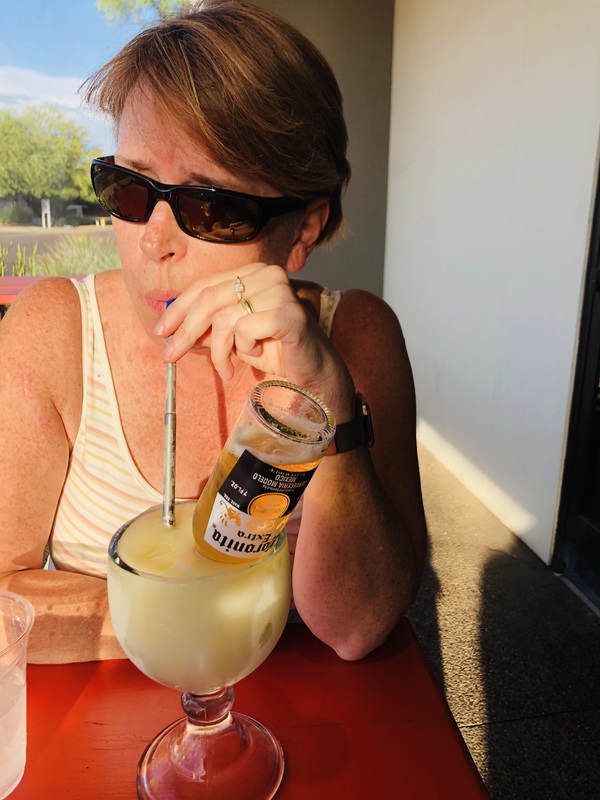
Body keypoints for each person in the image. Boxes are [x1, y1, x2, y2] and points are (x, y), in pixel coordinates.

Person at [0, 0, 427, 664]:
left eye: (211, 205)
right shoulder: (52, 333)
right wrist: (184, 622)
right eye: (130, 189)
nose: (154, 241)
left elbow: (357, 625)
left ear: (304, 228)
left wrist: (329, 409)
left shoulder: (358, 337)